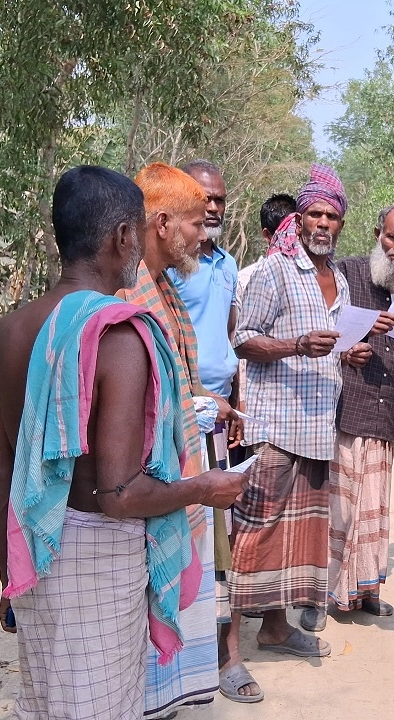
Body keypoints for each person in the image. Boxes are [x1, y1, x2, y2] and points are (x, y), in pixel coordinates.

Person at [0, 165, 243, 719]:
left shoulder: (9, 331)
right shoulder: (120, 333)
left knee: (48, 701)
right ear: (124, 236)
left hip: (33, 547)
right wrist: (204, 488)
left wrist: (11, 579)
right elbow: (120, 494)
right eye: (137, 233)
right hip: (97, 558)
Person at [228, 163, 374, 660]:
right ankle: (228, 650)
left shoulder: (340, 281)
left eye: (332, 217)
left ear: (341, 224)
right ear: (300, 218)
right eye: (315, 214)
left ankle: (275, 629)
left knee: (296, 537)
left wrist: (348, 354)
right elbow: (243, 340)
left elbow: (332, 346)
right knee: (255, 531)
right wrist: (296, 344)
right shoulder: (276, 270)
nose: (323, 224)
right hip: (275, 425)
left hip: (316, 429)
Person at [119, 162, 227, 718]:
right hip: (149, 484)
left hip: (180, 470)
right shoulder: (129, 291)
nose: (202, 236)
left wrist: (201, 401)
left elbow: (176, 380)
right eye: (195, 224)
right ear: (161, 223)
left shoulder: (163, 285)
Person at [162, 159, 263, 704]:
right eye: (204, 198)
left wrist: (234, 399)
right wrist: (199, 396)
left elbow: (226, 336)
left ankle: (228, 655)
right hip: (182, 416)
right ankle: (181, 657)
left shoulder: (226, 264)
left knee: (226, 536)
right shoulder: (168, 266)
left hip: (222, 418)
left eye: (220, 199)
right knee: (187, 537)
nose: (214, 207)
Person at [303, 204, 394, 629]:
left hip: (386, 411)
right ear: (378, 234)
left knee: (373, 506)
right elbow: (323, 334)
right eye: (392, 237)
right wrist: (347, 351)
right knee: (338, 508)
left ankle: (365, 590)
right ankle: (324, 593)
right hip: (347, 407)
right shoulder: (346, 274)